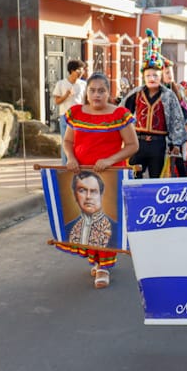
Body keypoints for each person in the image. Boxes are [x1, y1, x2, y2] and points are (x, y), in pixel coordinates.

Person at [60, 72, 138, 289]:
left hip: (109, 176)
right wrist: (71, 158)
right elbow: (68, 141)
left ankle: (104, 265)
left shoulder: (120, 115)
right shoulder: (76, 113)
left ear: (109, 93)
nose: (96, 95)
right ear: (86, 93)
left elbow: (133, 145)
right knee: (86, 216)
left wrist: (109, 160)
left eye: (101, 91)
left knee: (105, 217)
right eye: (92, 90)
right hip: (82, 175)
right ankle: (96, 259)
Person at [122, 29, 187, 179]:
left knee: (156, 178)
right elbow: (122, 114)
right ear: (143, 76)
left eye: (155, 75)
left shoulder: (168, 96)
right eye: (148, 75)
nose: (152, 78)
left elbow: (176, 120)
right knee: (133, 176)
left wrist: (176, 144)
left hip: (159, 144)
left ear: (161, 76)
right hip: (137, 142)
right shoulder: (136, 93)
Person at [64, 170, 118, 248]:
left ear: (101, 196)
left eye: (93, 191)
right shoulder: (68, 228)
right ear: (75, 195)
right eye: (82, 191)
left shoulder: (116, 229)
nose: (88, 196)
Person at [52, 60, 87, 163]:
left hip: (80, 117)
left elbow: (86, 101)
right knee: (66, 142)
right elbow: (57, 101)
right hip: (65, 116)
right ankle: (66, 164)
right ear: (72, 71)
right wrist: (66, 95)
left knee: (80, 142)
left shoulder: (84, 84)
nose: (81, 72)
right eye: (78, 70)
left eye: (83, 70)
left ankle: (79, 164)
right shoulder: (61, 84)